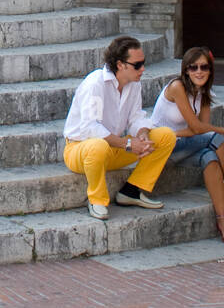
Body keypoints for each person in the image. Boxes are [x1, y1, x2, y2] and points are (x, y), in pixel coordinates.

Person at [150, 45, 224, 245]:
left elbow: (200, 128)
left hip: (182, 144)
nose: (198, 71)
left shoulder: (203, 93)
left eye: (204, 67)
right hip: (161, 148)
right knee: (215, 138)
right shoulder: (177, 87)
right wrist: (222, 130)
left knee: (210, 157)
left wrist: (183, 132)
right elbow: (199, 128)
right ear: (185, 70)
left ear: (210, 70)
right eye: (193, 67)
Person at [63, 35, 177, 219]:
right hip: (80, 150)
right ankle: (97, 200)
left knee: (165, 136)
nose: (143, 69)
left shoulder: (133, 84)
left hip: (113, 149)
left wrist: (143, 135)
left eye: (143, 63)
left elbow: (136, 118)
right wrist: (129, 145)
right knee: (97, 145)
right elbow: (92, 128)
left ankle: (131, 191)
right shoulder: (96, 83)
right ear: (120, 64)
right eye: (137, 65)